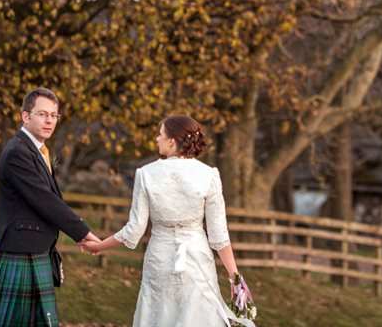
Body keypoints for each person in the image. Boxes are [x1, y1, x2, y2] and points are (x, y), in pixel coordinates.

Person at [80, 114, 255, 327]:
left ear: (171, 141)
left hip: (159, 261)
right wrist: (234, 277)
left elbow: (134, 230)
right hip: (197, 262)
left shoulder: (145, 174)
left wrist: (99, 245)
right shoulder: (209, 175)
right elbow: (219, 235)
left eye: (160, 135)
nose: (157, 139)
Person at [0, 87, 101, 327]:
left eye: (54, 115)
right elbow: (44, 200)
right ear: (25, 116)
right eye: (42, 114)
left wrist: (51, 248)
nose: (49, 120)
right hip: (20, 252)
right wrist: (82, 232)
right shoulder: (17, 152)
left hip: (35, 249)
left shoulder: (38, 150)